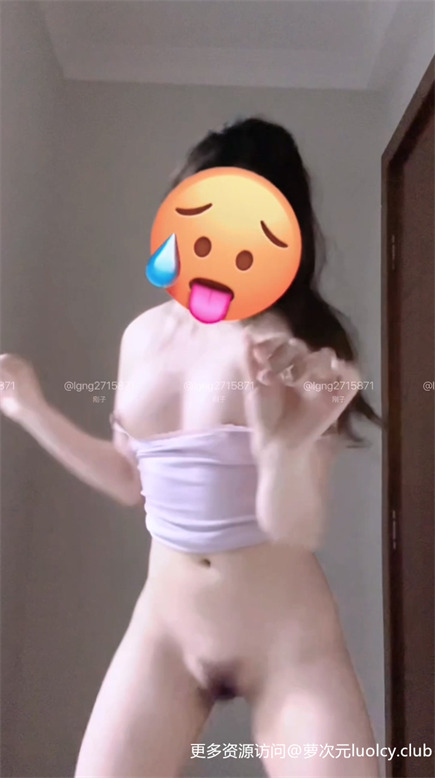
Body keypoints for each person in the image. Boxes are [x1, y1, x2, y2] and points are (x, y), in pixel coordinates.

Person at [0, 116, 382, 778]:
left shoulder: (300, 348)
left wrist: (281, 448)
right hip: (167, 630)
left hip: (288, 640)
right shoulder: (142, 335)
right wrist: (28, 409)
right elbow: (130, 480)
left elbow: (297, 525)